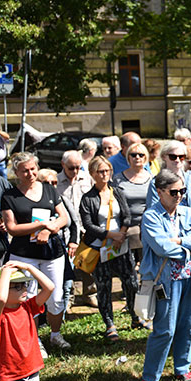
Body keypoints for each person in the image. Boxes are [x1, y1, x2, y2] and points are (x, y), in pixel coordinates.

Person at [138, 170, 191, 381]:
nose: (179, 196)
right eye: (174, 192)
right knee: (164, 329)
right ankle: (150, 377)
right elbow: (161, 247)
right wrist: (189, 245)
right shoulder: (151, 216)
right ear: (159, 192)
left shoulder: (188, 213)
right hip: (165, 282)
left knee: (187, 326)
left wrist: (179, 241)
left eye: (182, 191)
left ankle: (182, 368)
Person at [0, 153, 71, 351]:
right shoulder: (9, 196)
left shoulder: (49, 189)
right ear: (16, 173)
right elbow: (12, 228)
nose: (30, 173)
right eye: (25, 170)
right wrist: (38, 227)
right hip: (23, 254)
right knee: (27, 297)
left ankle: (55, 335)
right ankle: (33, 338)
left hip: (51, 252)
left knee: (56, 296)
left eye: (33, 169)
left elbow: (63, 218)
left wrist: (48, 229)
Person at [80, 156, 136, 342]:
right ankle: (109, 324)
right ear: (92, 174)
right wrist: (111, 236)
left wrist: (121, 234)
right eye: (100, 171)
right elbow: (88, 225)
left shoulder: (117, 192)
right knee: (104, 286)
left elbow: (127, 216)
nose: (105, 175)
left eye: (107, 171)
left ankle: (135, 315)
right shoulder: (87, 199)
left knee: (131, 282)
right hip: (100, 248)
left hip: (121, 246)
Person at [57, 150, 96, 309]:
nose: (74, 172)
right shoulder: (55, 181)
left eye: (78, 168)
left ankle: (90, 294)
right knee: (68, 265)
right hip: (66, 229)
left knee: (88, 260)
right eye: (71, 168)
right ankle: (69, 296)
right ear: (63, 165)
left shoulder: (86, 178)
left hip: (85, 226)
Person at [113, 141, 154, 272]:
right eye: (133, 154)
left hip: (146, 227)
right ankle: (130, 291)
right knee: (127, 269)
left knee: (147, 266)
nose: (137, 157)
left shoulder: (152, 179)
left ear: (146, 157)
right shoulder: (118, 178)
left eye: (141, 155)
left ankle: (146, 291)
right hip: (124, 228)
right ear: (128, 157)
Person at [146, 141, 191, 222]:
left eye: (181, 157)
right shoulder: (155, 182)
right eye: (172, 157)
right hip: (166, 227)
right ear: (164, 157)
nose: (177, 160)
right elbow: (153, 207)